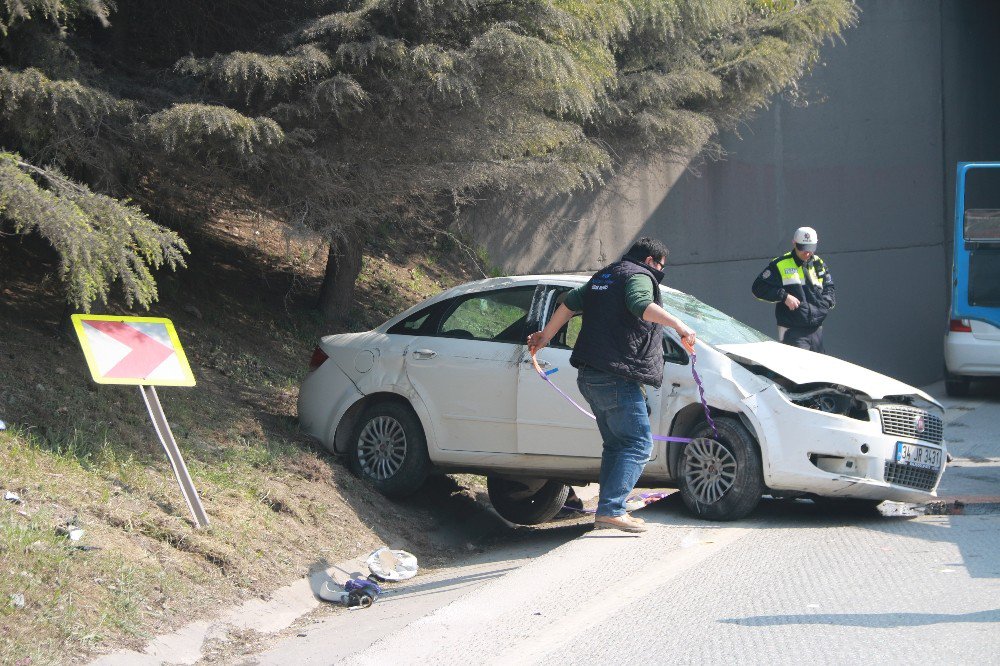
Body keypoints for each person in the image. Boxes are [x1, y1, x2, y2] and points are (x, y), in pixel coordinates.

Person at [526, 237, 696, 533]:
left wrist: (546, 335)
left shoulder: (605, 275)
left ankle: (609, 509)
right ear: (650, 261)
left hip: (591, 375)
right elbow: (641, 305)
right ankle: (613, 510)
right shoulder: (640, 276)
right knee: (638, 443)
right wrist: (679, 326)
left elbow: (568, 303)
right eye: (660, 267)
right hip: (616, 375)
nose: (659, 272)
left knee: (618, 444)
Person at [751, 226, 835, 352]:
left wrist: (825, 304)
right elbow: (758, 288)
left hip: (816, 329)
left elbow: (829, 287)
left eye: (810, 249)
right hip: (792, 330)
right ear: (794, 243)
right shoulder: (780, 264)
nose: (807, 253)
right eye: (803, 248)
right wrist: (784, 296)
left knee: (818, 369)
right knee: (797, 369)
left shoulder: (818, 263)